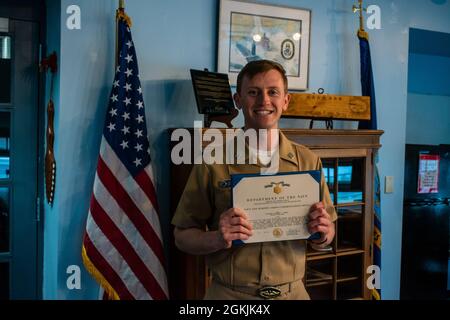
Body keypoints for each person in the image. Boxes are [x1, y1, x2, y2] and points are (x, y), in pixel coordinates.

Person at [172, 60, 336, 300]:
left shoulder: (309, 162)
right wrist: (217, 238)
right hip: (230, 296)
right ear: (238, 100)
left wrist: (323, 233)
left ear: (286, 101)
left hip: (293, 294)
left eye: (273, 92)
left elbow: (326, 235)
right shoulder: (212, 162)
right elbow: (182, 236)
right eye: (253, 92)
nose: (264, 101)